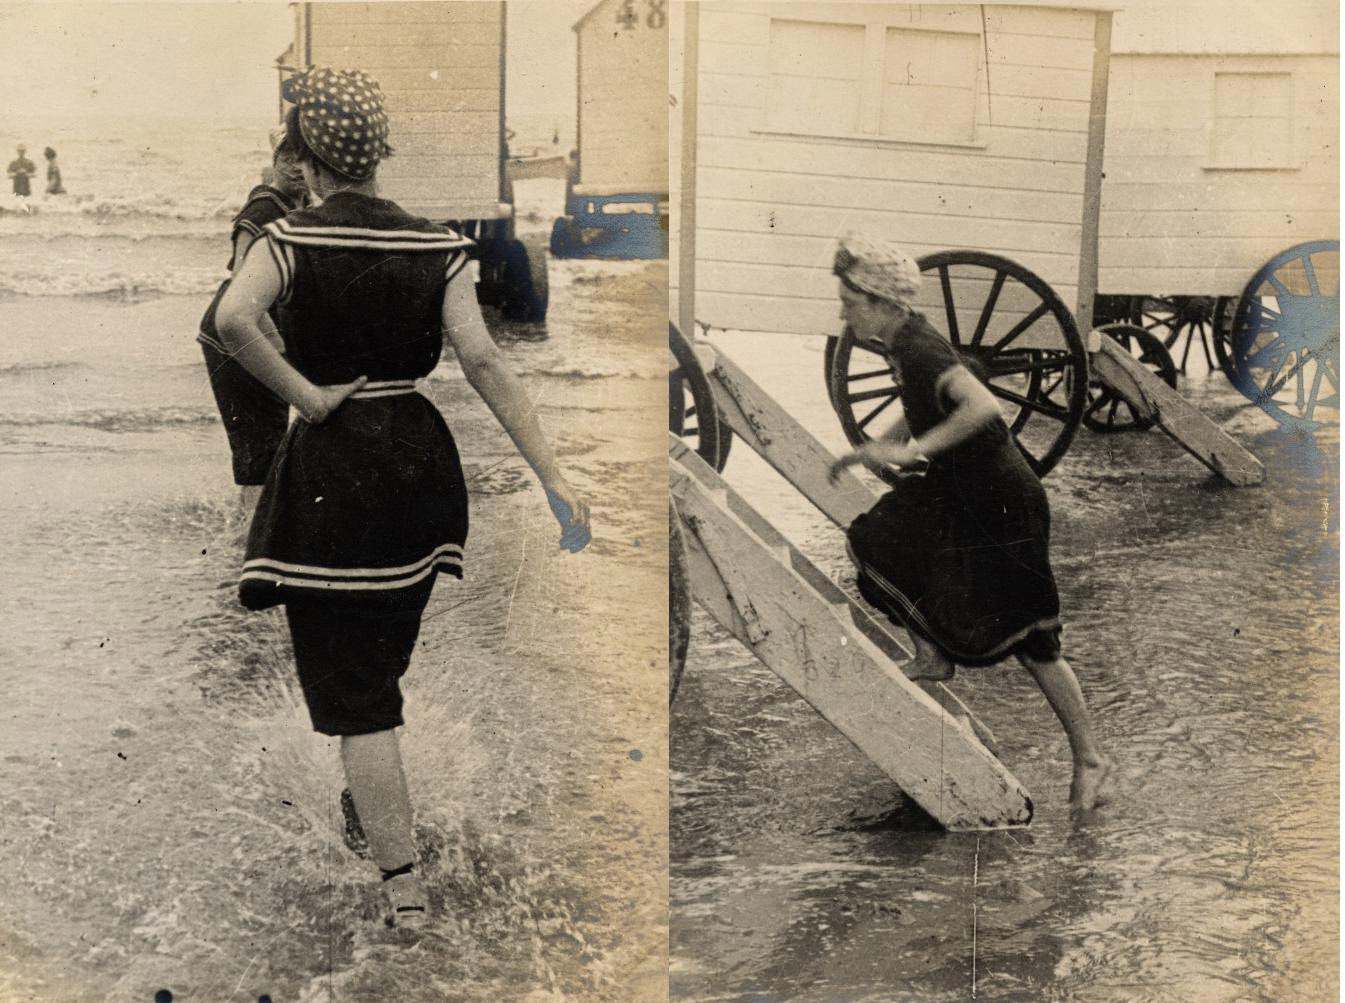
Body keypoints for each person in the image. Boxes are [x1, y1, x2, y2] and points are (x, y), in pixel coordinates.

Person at [216, 67, 592, 929]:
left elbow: (233, 320)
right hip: (419, 470)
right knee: (375, 668)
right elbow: (487, 363)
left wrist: (306, 397)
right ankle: (375, 807)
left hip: (332, 475)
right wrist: (554, 475)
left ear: (306, 159)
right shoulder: (438, 246)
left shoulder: (287, 240)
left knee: (356, 700)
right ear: (382, 155)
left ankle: (403, 884)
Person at [826, 234, 1112, 813]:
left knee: (1035, 643)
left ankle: (1090, 760)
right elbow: (921, 405)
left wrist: (915, 450)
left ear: (883, 304)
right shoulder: (905, 344)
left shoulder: (922, 348)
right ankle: (933, 653)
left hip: (1003, 500)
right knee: (878, 540)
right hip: (965, 491)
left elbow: (984, 408)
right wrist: (881, 445)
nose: (843, 311)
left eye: (851, 302)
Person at [198, 129, 309, 518]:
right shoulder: (262, 210)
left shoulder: (294, 202)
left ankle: (252, 529)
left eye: (303, 157)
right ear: (274, 161)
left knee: (267, 438)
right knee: (260, 442)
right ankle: (253, 540)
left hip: (253, 331)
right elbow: (242, 289)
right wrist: (278, 347)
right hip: (235, 335)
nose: (295, 167)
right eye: (286, 158)